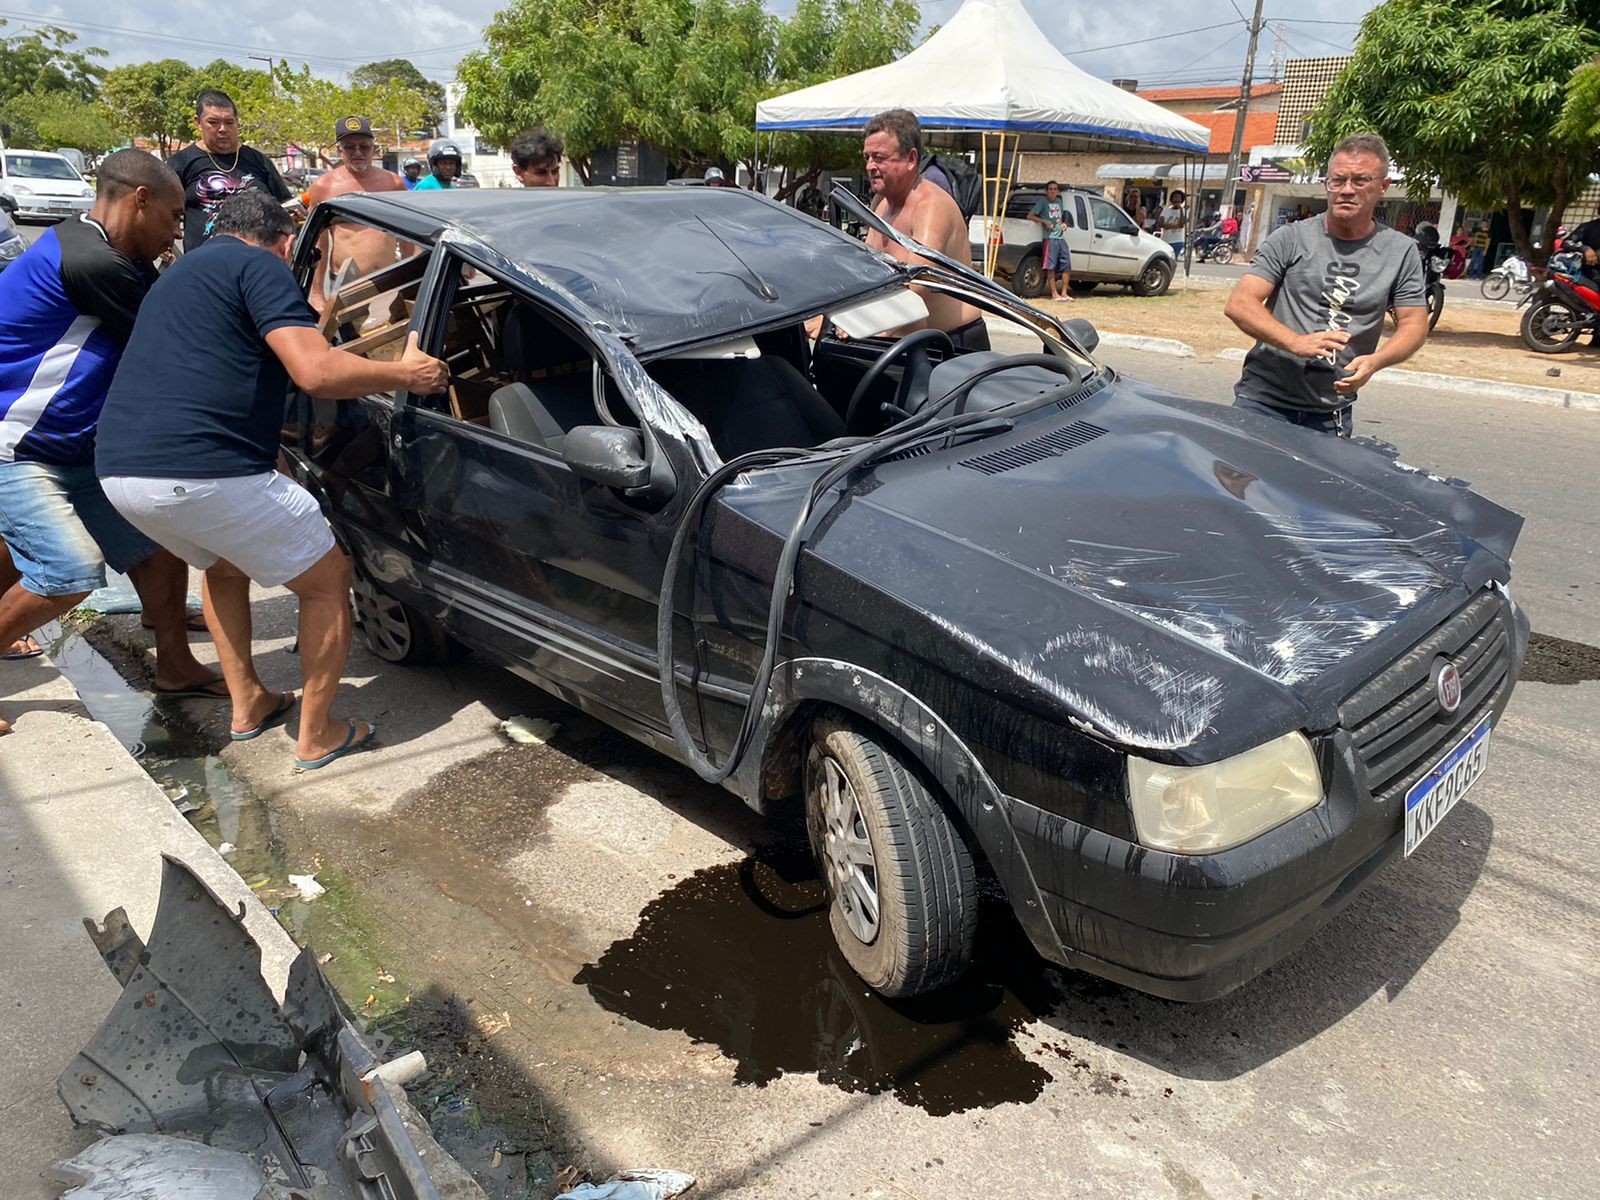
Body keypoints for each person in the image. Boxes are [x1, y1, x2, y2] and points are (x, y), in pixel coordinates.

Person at [95, 192, 449, 766]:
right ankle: (318, 735)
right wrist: (405, 373)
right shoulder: (259, 263)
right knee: (327, 579)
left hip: (123, 472)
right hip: (202, 471)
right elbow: (314, 370)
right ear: (286, 243)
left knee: (222, 564)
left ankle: (249, 704)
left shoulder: (182, 273)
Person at [0, 150, 227, 735]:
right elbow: (177, 343)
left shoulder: (103, 249)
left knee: (160, 543)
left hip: (75, 446)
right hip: (20, 445)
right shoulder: (90, 262)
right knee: (68, 571)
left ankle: (175, 666)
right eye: (174, 216)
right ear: (139, 199)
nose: (178, 230)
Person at [1223, 133, 1428, 437]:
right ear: (1326, 184)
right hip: (1262, 402)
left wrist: (1376, 361)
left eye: (1360, 181)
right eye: (1338, 180)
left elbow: (1414, 323)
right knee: (1242, 485)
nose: (1346, 190)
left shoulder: (1400, 251)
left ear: (1383, 187)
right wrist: (1295, 342)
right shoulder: (1291, 237)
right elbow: (1240, 304)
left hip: (1331, 413)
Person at [859, 109, 988, 349]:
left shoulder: (930, 207)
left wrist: (858, 322)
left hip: (954, 349)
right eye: (867, 157)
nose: (870, 166)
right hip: (902, 344)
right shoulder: (883, 206)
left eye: (879, 157)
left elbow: (918, 286)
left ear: (911, 159)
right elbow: (864, 274)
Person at [168, 89, 293, 254]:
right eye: (213, 122)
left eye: (229, 122)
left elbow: (284, 207)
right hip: (205, 264)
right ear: (198, 122)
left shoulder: (259, 162)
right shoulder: (181, 163)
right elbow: (163, 211)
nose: (222, 129)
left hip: (256, 263)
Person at [305, 117, 407, 313]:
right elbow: (319, 244)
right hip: (348, 288)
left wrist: (414, 280)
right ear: (339, 151)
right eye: (350, 147)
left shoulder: (393, 184)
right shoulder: (324, 187)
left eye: (364, 147)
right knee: (349, 342)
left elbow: (408, 237)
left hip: (390, 282)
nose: (358, 153)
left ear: (373, 149)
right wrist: (317, 293)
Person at [1027, 180, 1072, 301]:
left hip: (1061, 237)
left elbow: (1060, 218)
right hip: (1050, 238)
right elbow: (1030, 216)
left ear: (1058, 191)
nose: (1053, 191)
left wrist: (1064, 224)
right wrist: (1044, 221)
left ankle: (1064, 293)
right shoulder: (1043, 202)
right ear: (1046, 191)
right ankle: (1054, 294)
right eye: (1050, 189)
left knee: (1067, 265)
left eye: (1055, 189)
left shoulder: (1059, 202)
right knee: (1050, 266)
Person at [1160, 189, 1189, 258]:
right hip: (1165, 240)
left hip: (1177, 240)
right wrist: (1174, 226)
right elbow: (1160, 223)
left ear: (1181, 200)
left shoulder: (1185, 211)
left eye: (1178, 198)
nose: (1176, 200)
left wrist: (1181, 210)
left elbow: (1181, 224)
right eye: (1174, 197)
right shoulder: (1166, 209)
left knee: (1173, 259)